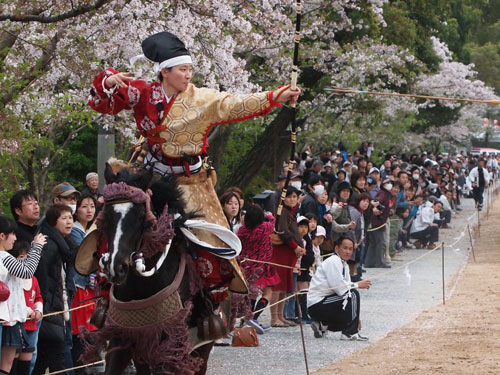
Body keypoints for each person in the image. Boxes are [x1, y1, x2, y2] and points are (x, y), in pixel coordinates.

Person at [0, 216, 46, 375]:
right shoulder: (4, 257)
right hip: (7, 318)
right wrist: (37, 247)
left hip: (8, 317)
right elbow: (27, 271)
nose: (15, 238)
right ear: (2, 235)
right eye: (12, 233)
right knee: (6, 365)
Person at [33, 205, 76, 375]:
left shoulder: (63, 243)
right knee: (57, 359)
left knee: (42, 361)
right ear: (53, 222)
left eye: (70, 217)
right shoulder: (49, 244)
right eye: (64, 218)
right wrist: (45, 306)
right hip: (50, 309)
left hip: (55, 308)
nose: (69, 222)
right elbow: (42, 279)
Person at [307, 236, 371, 340]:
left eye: (350, 249)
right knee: (354, 294)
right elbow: (340, 288)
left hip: (324, 302)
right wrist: (358, 284)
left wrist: (355, 317)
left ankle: (322, 325)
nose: (348, 252)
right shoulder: (334, 261)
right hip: (316, 305)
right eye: (345, 248)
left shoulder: (343, 263)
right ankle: (349, 333)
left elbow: (345, 287)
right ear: (337, 248)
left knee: (351, 296)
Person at [67, 195, 98, 373]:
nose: (89, 210)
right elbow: (87, 259)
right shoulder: (75, 232)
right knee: (82, 333)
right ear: (76, 210)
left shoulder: (91, 230)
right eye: (84, 206)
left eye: (92, 206)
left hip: (91, 287)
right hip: (80, 286)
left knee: (91, 332)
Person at [237, 205, 279, 333]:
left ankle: (246, 319)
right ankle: (254, 318)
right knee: (267, 293)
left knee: (251, 292)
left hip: (247, 265)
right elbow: (273, 222)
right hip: (263, 265)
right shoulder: (265, 228)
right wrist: (270, 215)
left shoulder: (242, 231)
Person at [270, 187, 306, 327]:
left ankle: (281, 316)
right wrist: (295, 246)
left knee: (284, 286)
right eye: (289, 197)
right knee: (277, 286)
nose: (292, 199)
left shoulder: (291, 212)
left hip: (289, 252)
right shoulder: (282, 212)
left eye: (294, 197)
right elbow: (282, 231)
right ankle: (274, 318)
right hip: (281, 252)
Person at [11, 241, 44, 375]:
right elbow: (13, 300)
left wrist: (38, 311)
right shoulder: (12, 278)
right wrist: (28, 311)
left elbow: (38, 297)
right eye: (20, 257)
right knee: (13, 362)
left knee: (28, 361)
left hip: (31, 325)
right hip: (16, 326)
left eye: (27, 257)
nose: (24, 260)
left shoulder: (34, 280)